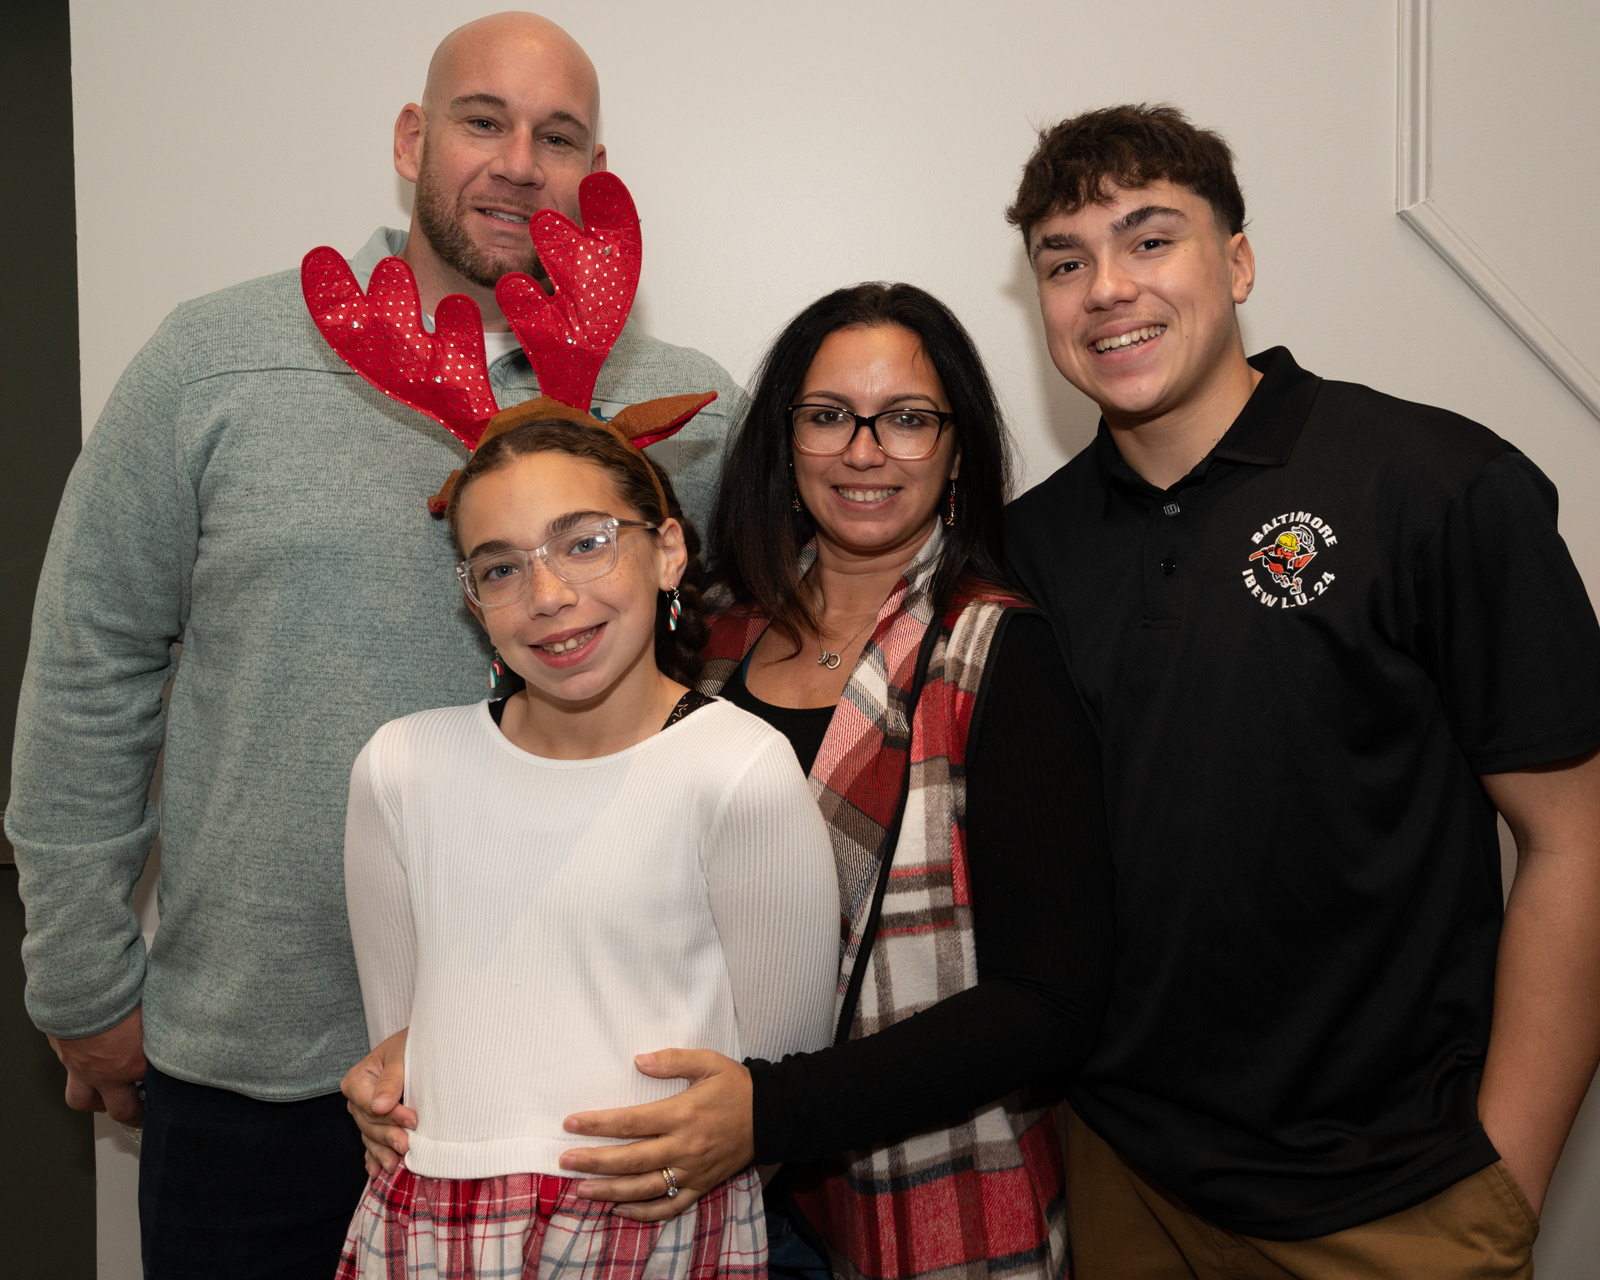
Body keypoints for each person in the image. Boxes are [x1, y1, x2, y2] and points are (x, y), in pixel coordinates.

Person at [5, 12, 745, 1276]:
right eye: (482, 121)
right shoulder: (214, 363)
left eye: (558, 136)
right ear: (411, 138)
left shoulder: (688, 412)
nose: (519, 162)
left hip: (574, 1082)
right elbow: (92, 660)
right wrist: (80, 981)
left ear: (596, 173)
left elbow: (746, 678)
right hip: (259, 1074)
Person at [347, 283, 1115, 1280]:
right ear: (786, 442)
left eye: (907, 418)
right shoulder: (711, 636)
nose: (864, 450)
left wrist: (770, 1114)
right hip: (685, 1194)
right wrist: (431, 1055)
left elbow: (1050, 1000)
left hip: (911, 1182)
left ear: (957, 447)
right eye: (828, 416)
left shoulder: (998, 655)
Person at [1001, 104, 1600, 1279]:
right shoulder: (1027, 549)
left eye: (1149, 238)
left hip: (1402, 1197)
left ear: (1236, 262)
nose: (1106, 287)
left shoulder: (1435, 484)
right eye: (1063, 262)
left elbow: (1575, 839)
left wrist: (1503, 1181)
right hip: (1125, 1178)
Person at [336, 414, 838, 1278]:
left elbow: (772, 1091)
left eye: (584, 544)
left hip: (658, 1230)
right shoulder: (401, 768)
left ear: (668, 551)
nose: (548, 595)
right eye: (501, 567)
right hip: (435, 1233)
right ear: (473, 600)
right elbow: (404, 1053)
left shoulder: (740, 770)